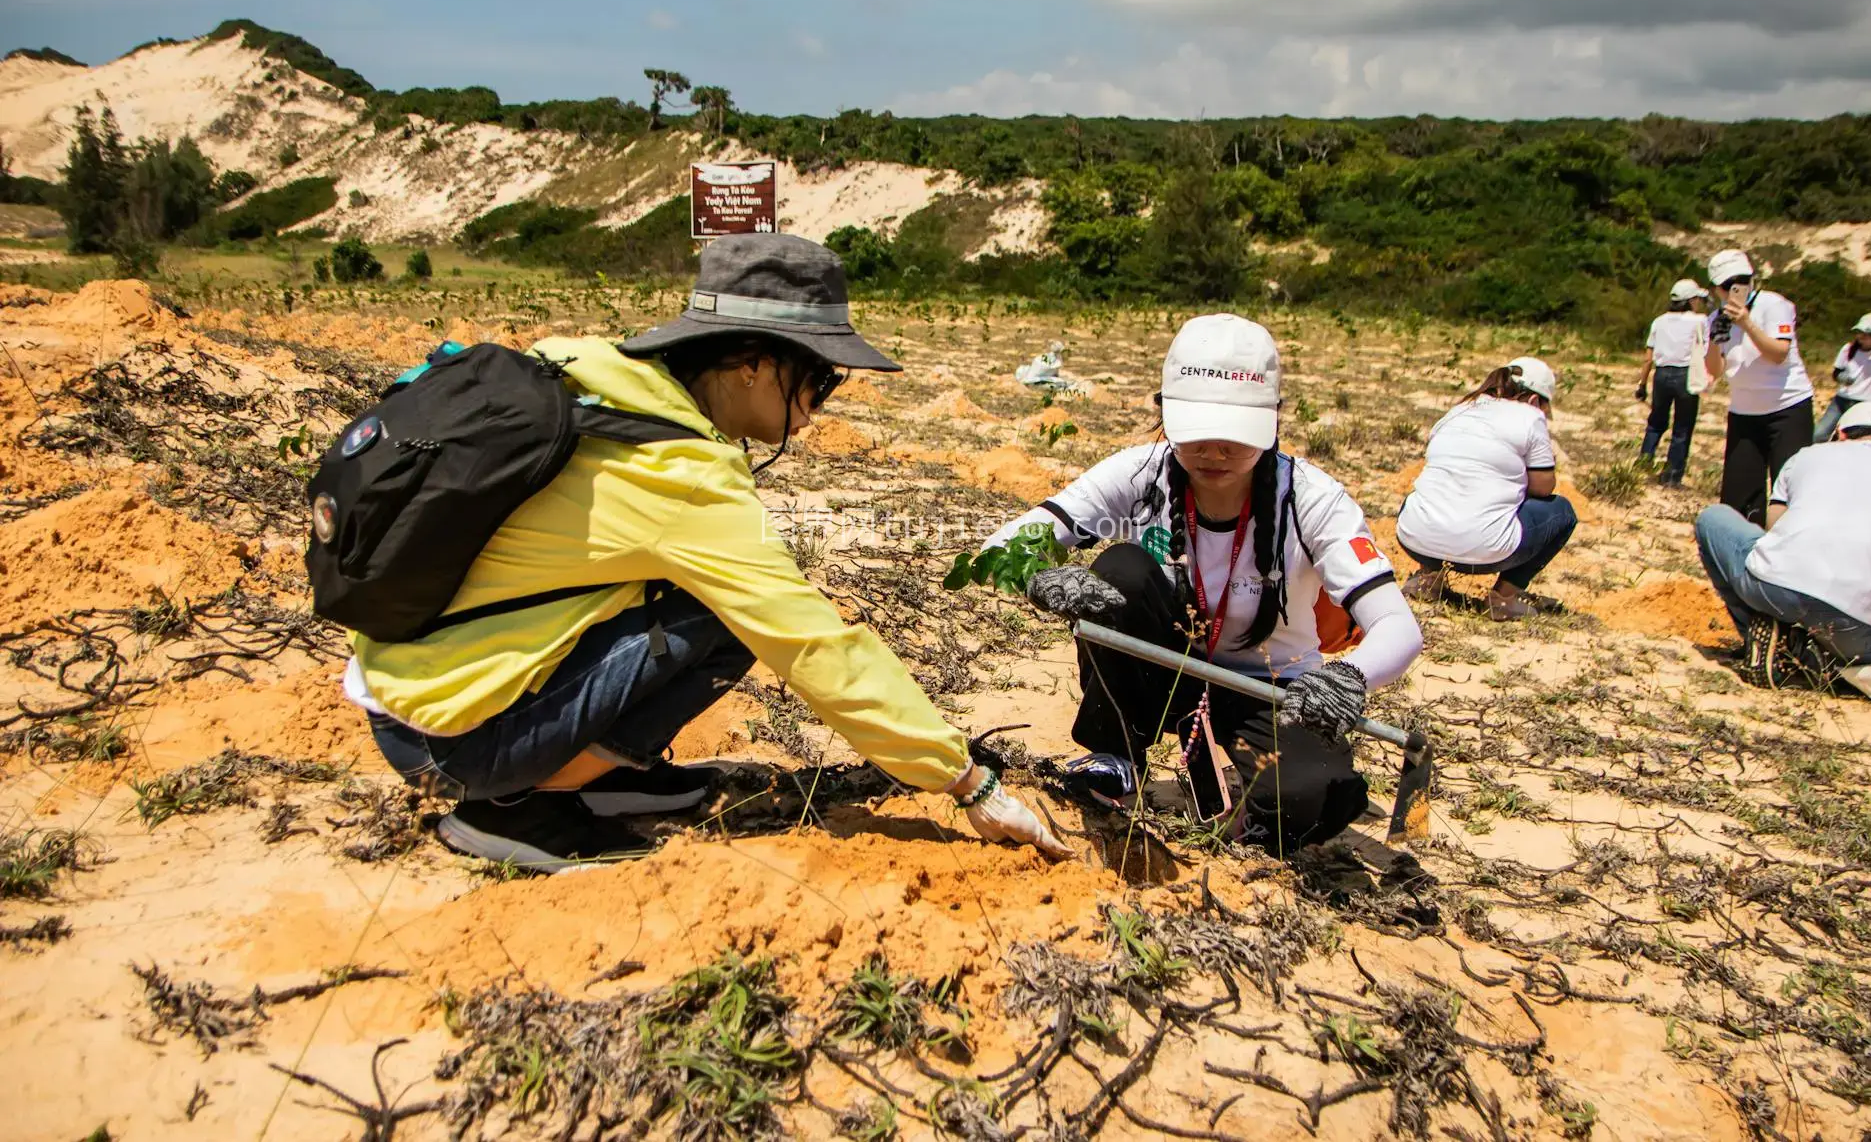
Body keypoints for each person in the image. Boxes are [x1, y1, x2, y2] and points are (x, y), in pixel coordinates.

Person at [346, 233, 1070, 871]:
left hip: (412, 686)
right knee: (724, 618)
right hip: (452, 737)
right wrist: (965, 778)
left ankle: (591, 775)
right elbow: (816, 643)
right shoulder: (682, 474)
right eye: (819, 377)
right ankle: (508, 806)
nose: (821, 402)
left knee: (694, 599)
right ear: (752, 363)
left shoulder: (597, 377)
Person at [981, 314, 1424, 853]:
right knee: (1122, 570)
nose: (1215, 451)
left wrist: (1350, 678)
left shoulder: (1312, 499)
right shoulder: (1140, 473)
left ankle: (1249, 810)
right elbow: (1006, 544)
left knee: (1317, 797)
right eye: (1197, 432)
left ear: (1274, 419)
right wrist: (1037, 574)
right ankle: (1115, 753)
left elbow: (1398, 627)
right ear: (1164, 412)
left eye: (1236, 435)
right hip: (1164, 672)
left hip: (1272, 691)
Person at [1694, 400, 1871, 681]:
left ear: (1840, 434)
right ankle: (1825, 663)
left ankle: (1771, 640)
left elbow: (1774, 528)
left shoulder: (1809, 455)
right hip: (1858, 623)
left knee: (1713, 518)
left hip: (1775, 587)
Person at [1395, 358, 1576, 620]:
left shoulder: (1459, 410)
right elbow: (1542, 489)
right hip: (1486, 552)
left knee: (1426, 493)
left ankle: (1428, 579)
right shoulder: (1530, 416)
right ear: (1535, 401)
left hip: (1414, 539)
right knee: (1562, 511)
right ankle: (1504, 599)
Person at [1702, 249, 1814, 525]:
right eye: (1728, 286)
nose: (1734, 290)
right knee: (1739, 495)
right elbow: (1714, 371)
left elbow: (1778, 354)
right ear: (1717, 289)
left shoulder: (1774, 305)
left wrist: (1747, 323)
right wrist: (1716, 339)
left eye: (1740, 282)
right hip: (1744, 411)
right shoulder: (1716, 318)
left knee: (1788, 488)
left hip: (1787, 408)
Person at [1635, 278, 1711, 487]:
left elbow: (1648, 357)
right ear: (1690, 300)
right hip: (1685, 375)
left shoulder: (1659, 321)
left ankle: (1643, 465)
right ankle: (1672, 476)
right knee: (1683, 427)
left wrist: (1642, 384)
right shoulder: (1700, 321)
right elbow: (1706, 350)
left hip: (1661, 375)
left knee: (1656, 422)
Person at [1815, 311, 1871, 443]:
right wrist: (1842, 377)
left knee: (1857, 439)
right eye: (1859, 333)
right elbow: (1836, 372)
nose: (1860, 337)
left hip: (1865, 403)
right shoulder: (1848, 349)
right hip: (1842, 400)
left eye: (1865, 334)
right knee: (1820, 435)